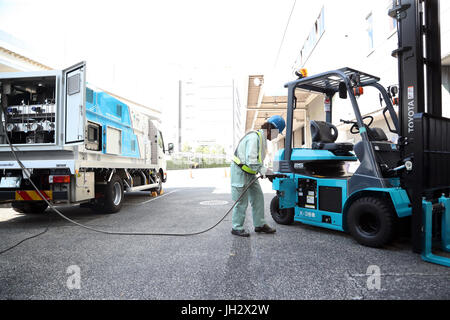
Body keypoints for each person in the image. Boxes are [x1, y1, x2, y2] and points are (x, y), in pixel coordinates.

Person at [230, 115, 286, 237]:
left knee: (258, 197)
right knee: (241, 201)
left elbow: (257, 161)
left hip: (250, 172)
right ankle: (236, 227)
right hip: (240, 171)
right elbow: (252, 161)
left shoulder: (261, 139)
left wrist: (269, 172)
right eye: (277, 133)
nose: (277, 136)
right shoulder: (254, 138)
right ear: (272, 129)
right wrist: (267, 173)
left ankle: (259, 225)